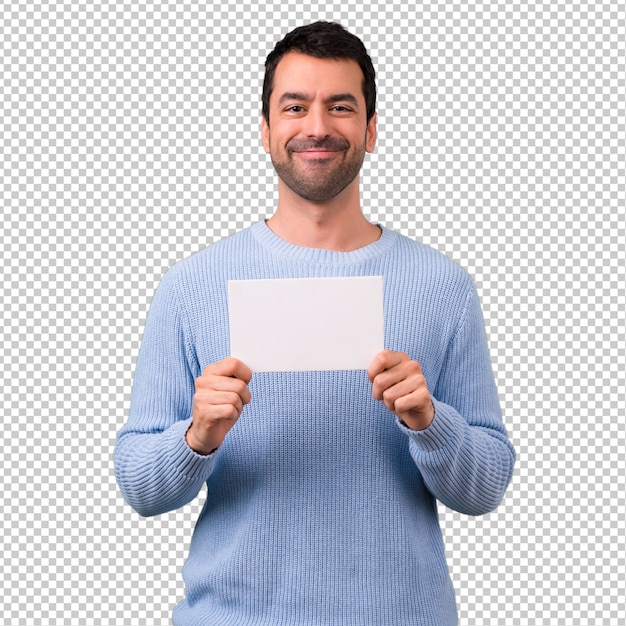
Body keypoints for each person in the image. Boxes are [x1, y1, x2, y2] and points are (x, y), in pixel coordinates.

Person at [114, 21, 516, 626]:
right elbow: (140, 488)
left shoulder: (443, 286)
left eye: (341, 107)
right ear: (266, 129)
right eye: (295, 106)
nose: (318, 127)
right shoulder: (192, 285)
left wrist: (431, 423)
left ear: (372, 130)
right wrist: (196, 437)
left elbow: (485, 490)